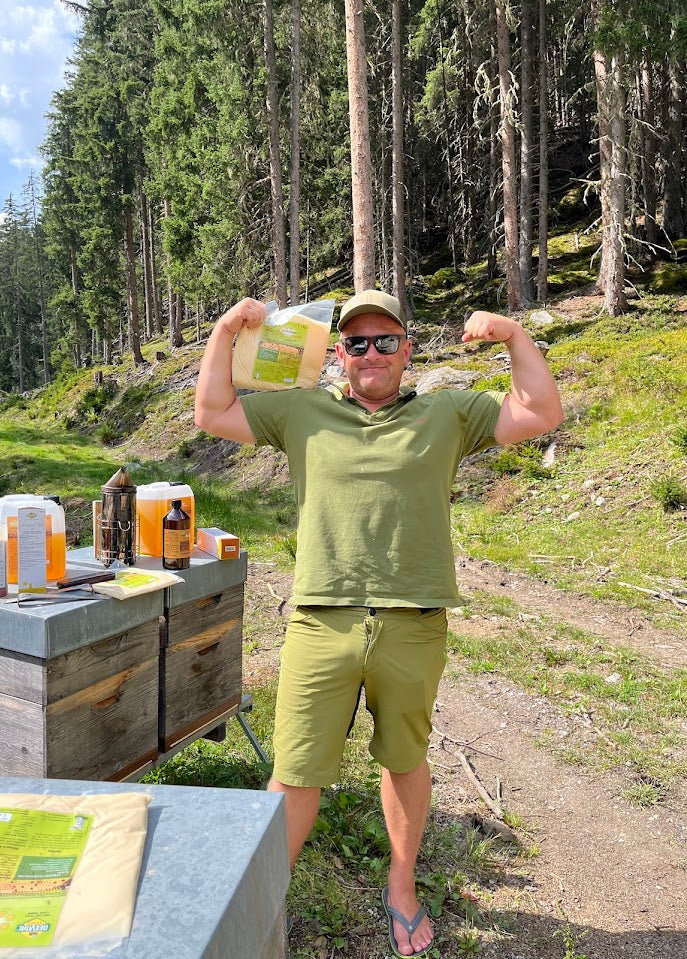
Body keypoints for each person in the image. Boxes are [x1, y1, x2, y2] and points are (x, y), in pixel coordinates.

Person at [194, 289, 563, 958]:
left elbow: (540, 410)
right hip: (319, 621)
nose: (371, 353)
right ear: (338, 352)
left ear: (406, 350)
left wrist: (512, 334)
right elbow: (212, 410)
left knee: (403, 759)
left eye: (385, 340)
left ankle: (400, 883)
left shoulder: (447, 410)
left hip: (412, 621)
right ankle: (260, 900)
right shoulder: (302, 408)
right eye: (357, 342)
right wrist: (224, 330)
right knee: (294, 771)